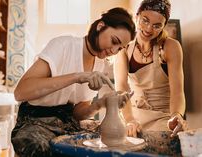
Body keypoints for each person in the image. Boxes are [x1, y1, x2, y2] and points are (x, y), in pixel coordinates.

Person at [11, 7, 136, 157]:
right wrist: (77, 77)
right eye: (114, 41)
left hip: (66, 120)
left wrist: (100, 104)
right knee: (39, 147)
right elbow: (21, 92)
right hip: (35, 119)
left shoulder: (100, 64)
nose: (114, 51)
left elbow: (77, 113)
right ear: (100, 26)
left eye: (119, 48)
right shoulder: (63, 45)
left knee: (103, 145)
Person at [114, 0, 187, 139]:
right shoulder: (125, 47)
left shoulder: (170, 47)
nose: (148, 29)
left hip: (163, 118)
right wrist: (129, 120)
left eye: (156, 26)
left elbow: (177, 91)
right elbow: (121, 89)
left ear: (163, 26)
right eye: (145, 21)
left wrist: (176, 116)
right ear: (137, 17)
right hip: (132, 114)